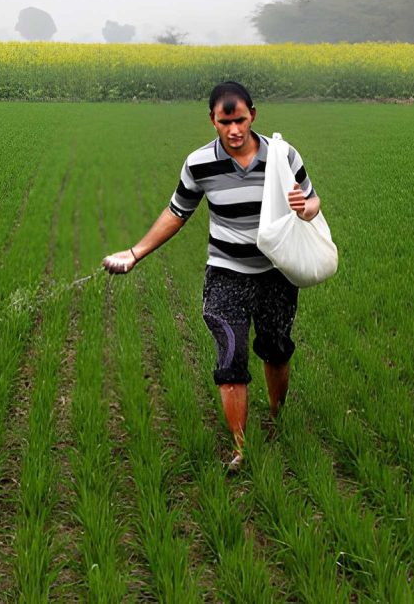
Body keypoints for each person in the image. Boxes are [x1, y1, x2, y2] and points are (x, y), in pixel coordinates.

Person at [102, 81, 321, 470]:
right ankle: (240, 448)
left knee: (275, 349)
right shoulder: (199, 163)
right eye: (225, 122)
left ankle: (277, 417)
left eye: (240, 120)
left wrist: (305, 208)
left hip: (276, 272)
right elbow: (177, 212)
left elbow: (312, 199)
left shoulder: (282, 155)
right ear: (212, 120)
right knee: (230, 356)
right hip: (226, 273)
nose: (234, 130)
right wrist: (135, 253)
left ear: (253, 115)